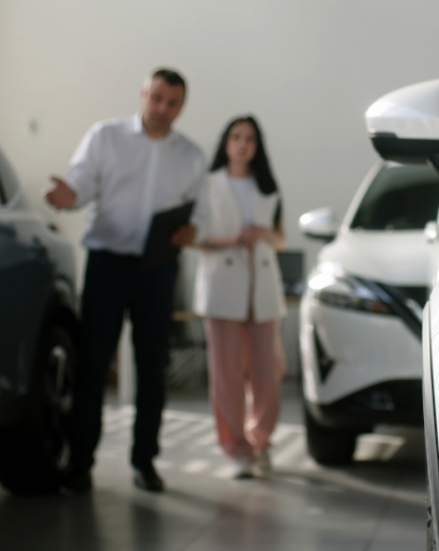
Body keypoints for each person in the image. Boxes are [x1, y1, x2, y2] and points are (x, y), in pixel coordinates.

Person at [44, 68, 207, 493]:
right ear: (143, 95)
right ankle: (80, 462)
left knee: (153, 366)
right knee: (93, 362)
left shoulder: (191, 156)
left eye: (172, 103)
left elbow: (202, 214)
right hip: (108, 264)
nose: (161, 109)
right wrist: (67, 196)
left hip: (158, 269)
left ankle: (145, 461)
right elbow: (80, 184)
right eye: (156, 99)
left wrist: (195, 232)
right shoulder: (105, 137)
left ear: (181, 106)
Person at [193, 115, 287, 479]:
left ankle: (261, 440)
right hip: (222, 287)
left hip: (262, 289)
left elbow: (281, 239)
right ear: (226, 142)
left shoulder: (268, 187)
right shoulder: (207, 185)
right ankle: (236, 448)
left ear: (257, 144)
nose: (242, 143)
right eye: (236, 136)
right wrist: (229, 240)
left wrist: (262, 233)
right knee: (226, 374)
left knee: (268, 372)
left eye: (249, 137)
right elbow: (196, 236)